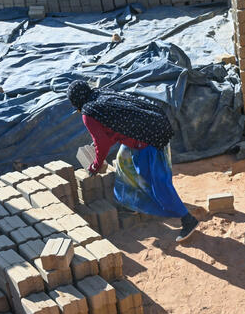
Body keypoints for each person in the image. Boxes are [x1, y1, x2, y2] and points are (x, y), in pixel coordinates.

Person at [67, 79, 200, 242]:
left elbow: (103, 144)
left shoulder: (88, 114)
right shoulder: (98, 94)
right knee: (123, 161)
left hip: (148, 138)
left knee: (157, 182)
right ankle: (133, 203)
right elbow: (110, 129)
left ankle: (187, 219)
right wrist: (99, 142)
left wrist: (95, 166)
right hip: (151, 125)